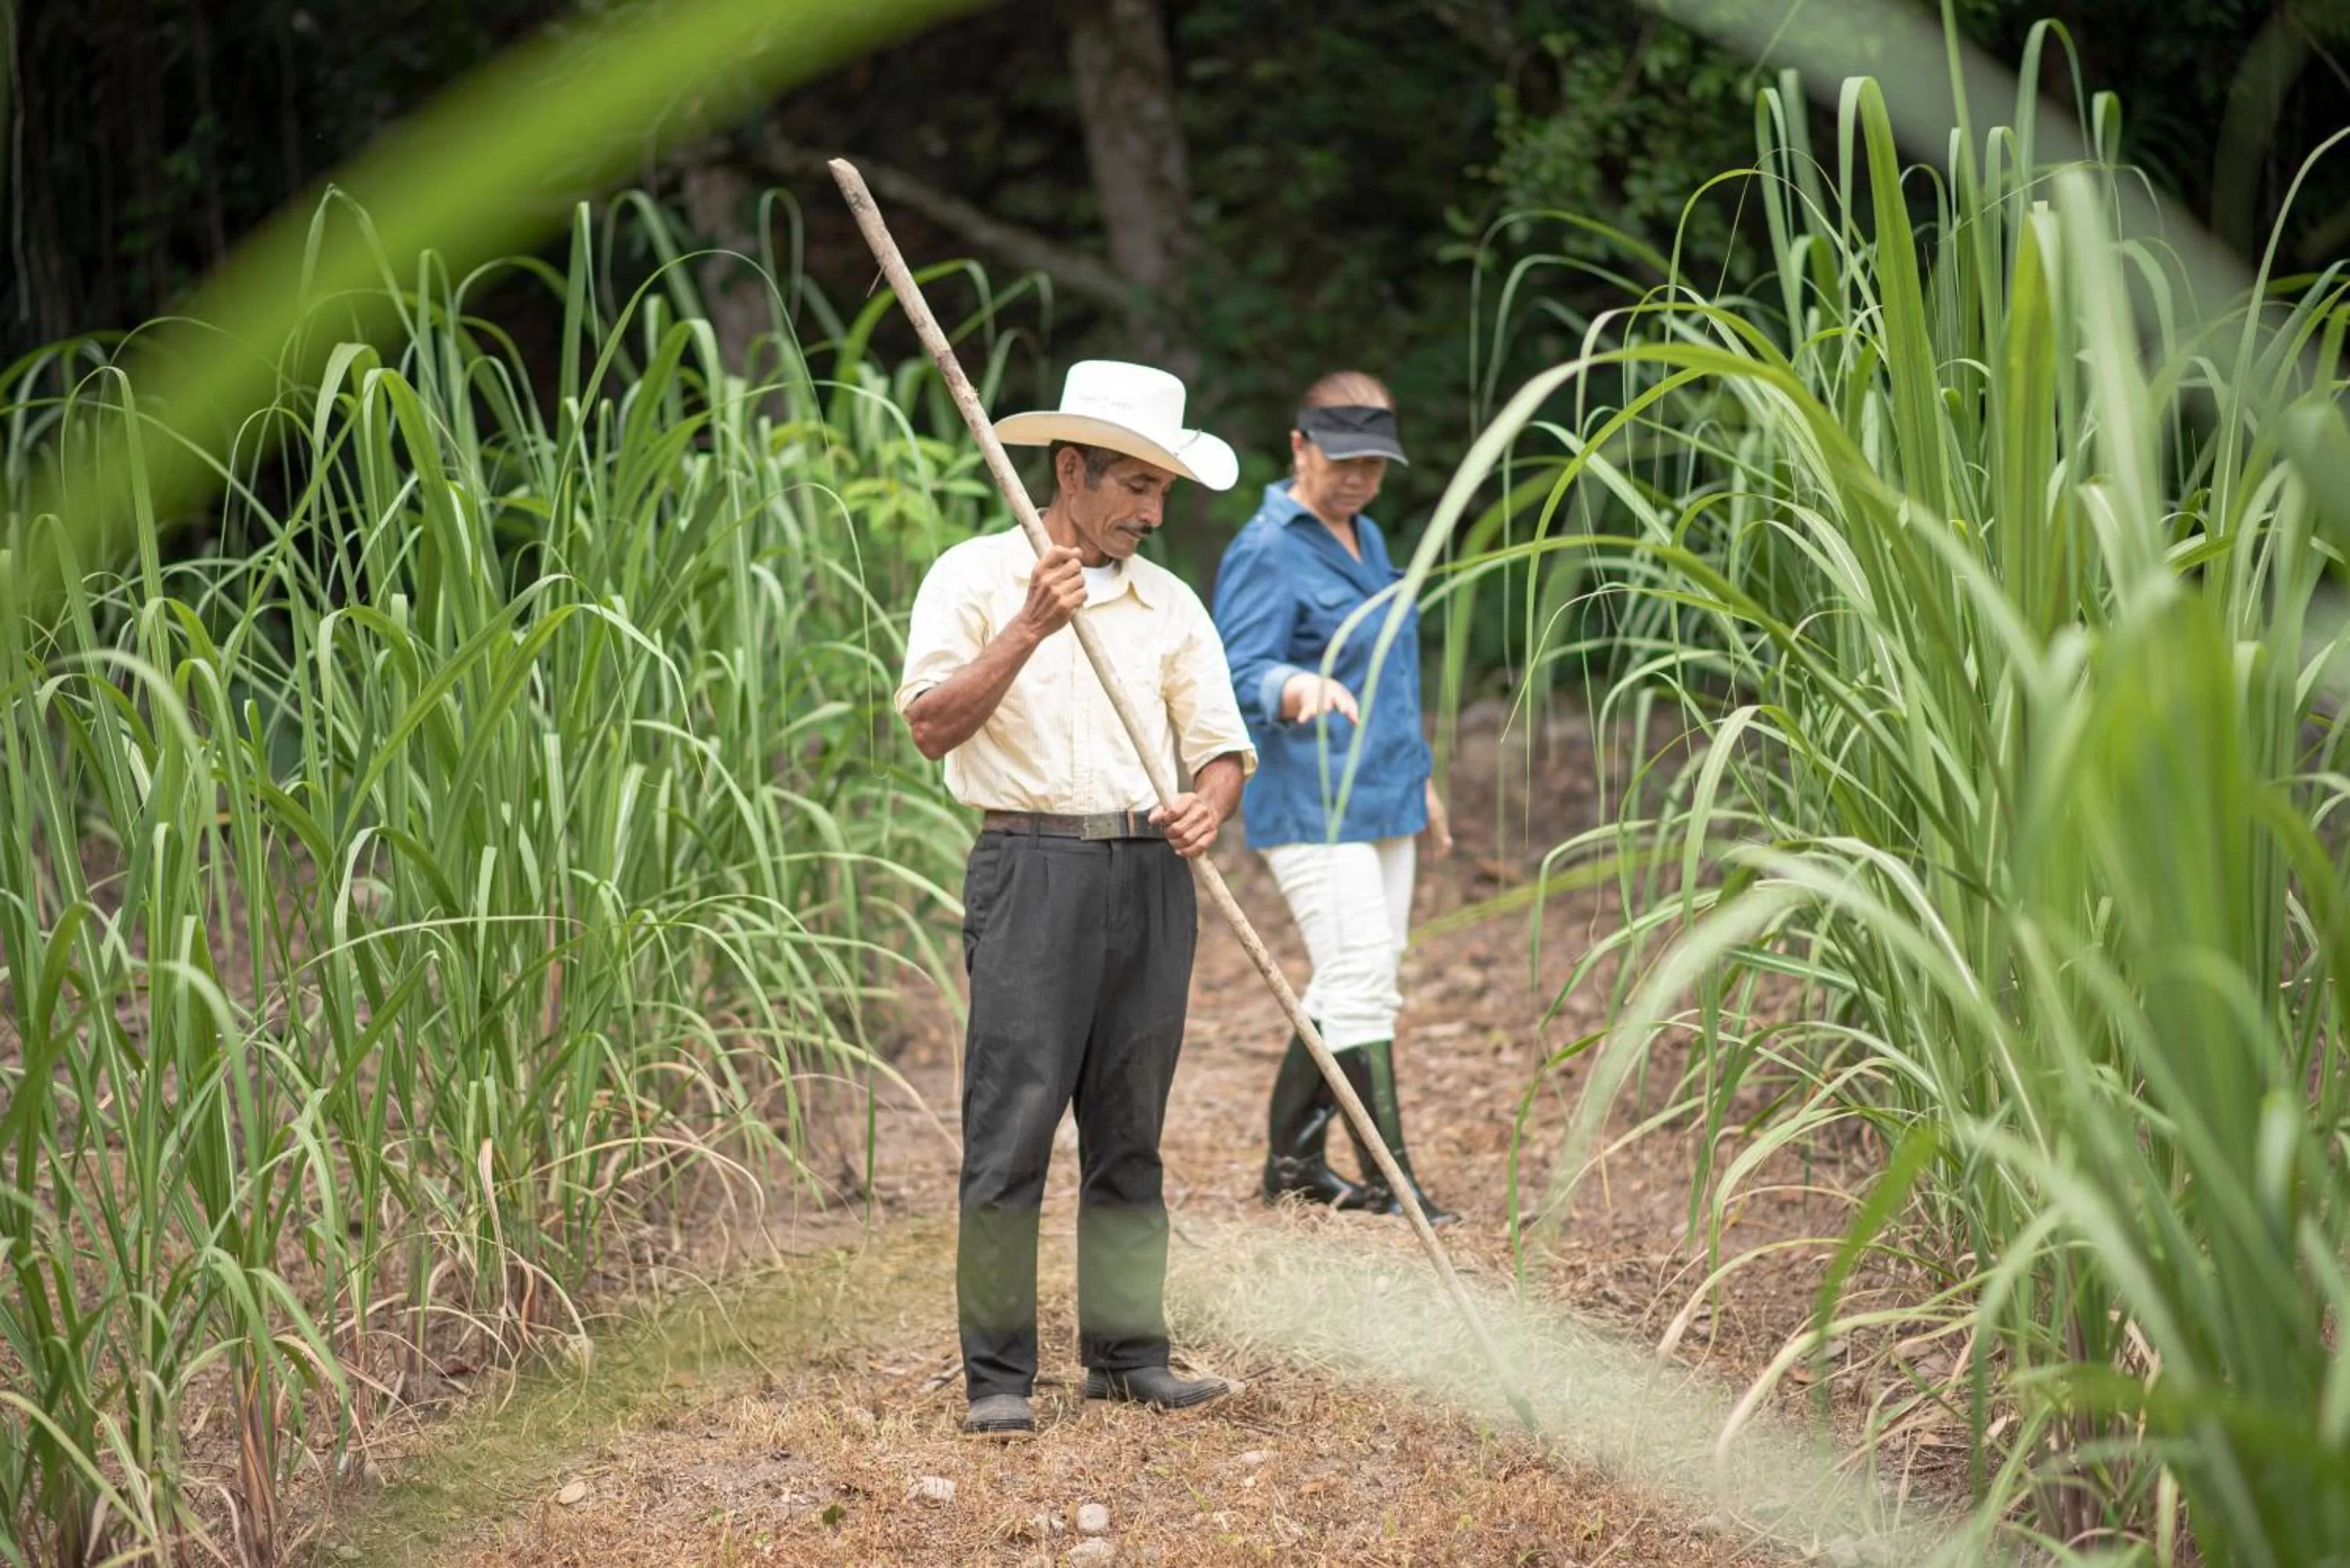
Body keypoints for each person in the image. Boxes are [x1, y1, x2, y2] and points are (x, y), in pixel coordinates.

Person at [896, 359, 1258, 1440]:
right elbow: (928, 725)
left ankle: (1128, 1354)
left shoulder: (1170, 601)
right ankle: (998, 1375)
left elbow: (1221, 746)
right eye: (1134, 487)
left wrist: (1209, 806)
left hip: (1151, 873)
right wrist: (1028, 627)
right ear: (1070, 469)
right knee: (1011, 1128)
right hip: (1031, 870)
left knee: (1130, 1126)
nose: (1151, 513)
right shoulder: (973, 575)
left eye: (1162, 493)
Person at [1209, 370, 1458, 1226]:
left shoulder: (1368, 535)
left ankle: (1294, 1162)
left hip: (1384, 790)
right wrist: (1291, 687)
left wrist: (1418, 773)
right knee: (1356, 977)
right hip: (1309, 794)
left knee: (1365, 975)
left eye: (1374, 464)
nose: (1357, 478)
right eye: (1342, 460)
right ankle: (1393, 1180)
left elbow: (1387, 670)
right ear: (1300, 447)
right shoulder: (1267, 548)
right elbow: (1234, 672)